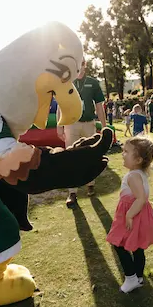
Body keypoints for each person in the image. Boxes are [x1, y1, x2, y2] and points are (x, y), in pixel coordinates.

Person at [106, 136, 153, 293]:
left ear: (138, 159)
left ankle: (131, 277)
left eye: (126, 152)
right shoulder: (139, 173)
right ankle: (139, 277)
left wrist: (128, 215)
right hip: (140, 214)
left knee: (118, 243)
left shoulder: (132, 176)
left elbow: (141, 198)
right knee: (137, 247)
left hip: (132, 214)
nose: (123, 154)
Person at [57, 58, 107, 208]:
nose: (79, 67)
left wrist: (104, 127)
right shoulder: (65, 81)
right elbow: (61, 105)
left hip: (88, 124)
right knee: (71, 156)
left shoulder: (93, 82)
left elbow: (99, 106)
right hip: (71, 124)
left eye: (82, 64)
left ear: (85, 65)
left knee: (91, 155)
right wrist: (59, 126)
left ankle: (90, 184)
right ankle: (72, 192)